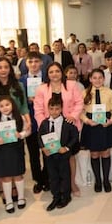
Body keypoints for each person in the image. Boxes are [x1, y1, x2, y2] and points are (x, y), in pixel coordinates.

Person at [33, 62, 84, 196]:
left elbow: (79, 102)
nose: (54, 74)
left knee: (70, 156)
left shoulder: (72, 85)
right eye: (51, 72)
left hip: (68, 126)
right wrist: (43, 125)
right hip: (50, 128)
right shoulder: (42, 88)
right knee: (52, 156)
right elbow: (38, 109)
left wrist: (73, 116)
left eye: (57, 71)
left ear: (62, 73)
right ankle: (56, 184)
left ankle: (72, 183)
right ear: (47, 74)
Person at [0, 96, 30, 213]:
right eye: (1, 106)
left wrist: (20, 135)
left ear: (12, 105)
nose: (5, 108)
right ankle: (9, 201)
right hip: (2, 151)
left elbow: (27, 131)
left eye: (7, 104)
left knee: (18, 174)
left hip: (16, 149)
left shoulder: (19, 118)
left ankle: (21, 197)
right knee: (6, 176)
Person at [80, 69, 112, 193]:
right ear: (90, 79)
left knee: (105, 153)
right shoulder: (85, 92)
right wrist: (87, 121)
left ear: (104, 79)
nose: (97, 80)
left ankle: (106, 180)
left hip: (105, 124)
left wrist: (111, 121)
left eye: (100, 77)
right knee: (94, 154)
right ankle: (98, 180)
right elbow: (81, 112)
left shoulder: (109, 92)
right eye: (94, 78)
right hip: (91, 125)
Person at [40, 96, 79, 211]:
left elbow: (75, 136)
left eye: (57, 109)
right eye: (51, 109)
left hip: (63, 155)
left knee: (64, 176)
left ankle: (66, 197)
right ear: (48, 109)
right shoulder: (44, 123)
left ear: (61, 109)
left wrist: (66, 148)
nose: (54, 111)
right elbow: (40, 137)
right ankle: (56, 197)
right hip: (50, 156)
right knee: (53, 177)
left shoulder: (67, 122)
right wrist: (42, 148)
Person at [19, 52, 49, 193]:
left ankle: (47, 177)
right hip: (30, 120)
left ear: (41, 63)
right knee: (33, 153)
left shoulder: (47, 78)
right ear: (26, 63)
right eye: (30, 62)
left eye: (36, 61)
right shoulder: (22, 81)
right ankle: (38, 179)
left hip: (45, 120)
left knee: (47, 150)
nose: (34, 64)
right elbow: (19, 102)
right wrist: (28, 100)